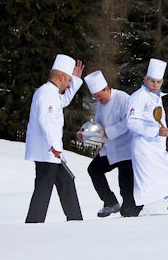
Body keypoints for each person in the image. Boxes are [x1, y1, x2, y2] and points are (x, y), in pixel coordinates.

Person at [24, 54, 84, 223]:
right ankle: (34, 223)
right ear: (61, 77)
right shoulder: (46, 94)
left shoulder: (51, 93)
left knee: (66, 182)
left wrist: (77, 81)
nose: (69, 84)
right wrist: (53, 146)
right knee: (44, 186)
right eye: (69, 80)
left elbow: (63, 101)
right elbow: (46, 121)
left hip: (52, 152)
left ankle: (75, 220)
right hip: (48, 151)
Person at [126, 58, 168, 214]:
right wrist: (156, 132)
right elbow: (132, 122)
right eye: (152, 81)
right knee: (147, 185)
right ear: (145, 80)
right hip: (145, 149)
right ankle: (130, 213)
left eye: (158, 82)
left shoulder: (157, 97)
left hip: (156, 149)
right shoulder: (138, 97)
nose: (155, 84)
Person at [79, 70, 140, 217]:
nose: (97, 100)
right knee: (94, 169)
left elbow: (130, 121)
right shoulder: (101, 104)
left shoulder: (123, 98)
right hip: (110, 148)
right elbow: (98, 123)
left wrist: (110, 131)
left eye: (99, 96)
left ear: (107, 89)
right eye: (95, 98)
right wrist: (86, 133)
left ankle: (130, 210)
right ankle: (110, 202)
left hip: (126, 149)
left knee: (125, 186)